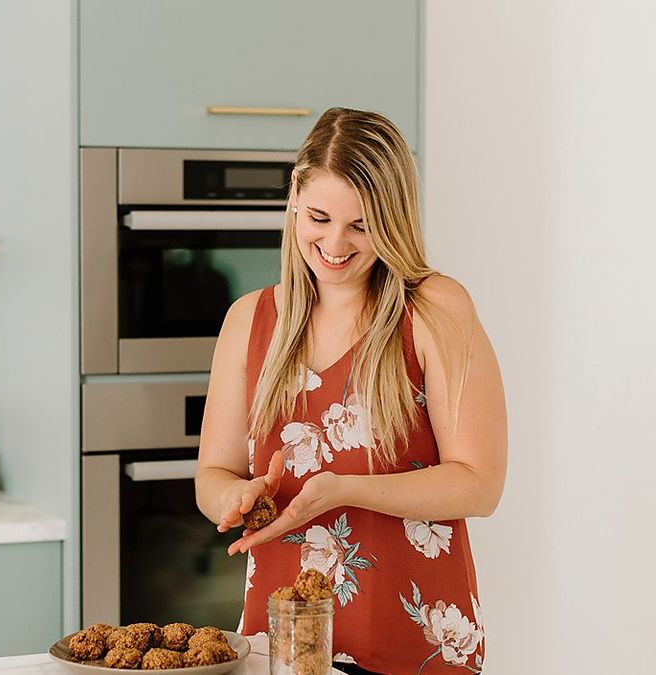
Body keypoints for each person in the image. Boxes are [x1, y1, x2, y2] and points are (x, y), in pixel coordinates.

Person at [194, 107, 507, 674]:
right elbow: (212, 475)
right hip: (281, 646)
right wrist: (232, 499)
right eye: (319, 217)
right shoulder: (249, 319)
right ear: (294, 197)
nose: (335, 243)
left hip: (411, 644)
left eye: (361, 225)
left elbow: (479, 485)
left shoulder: (434, 309)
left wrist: (344, 490)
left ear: (393, 219)